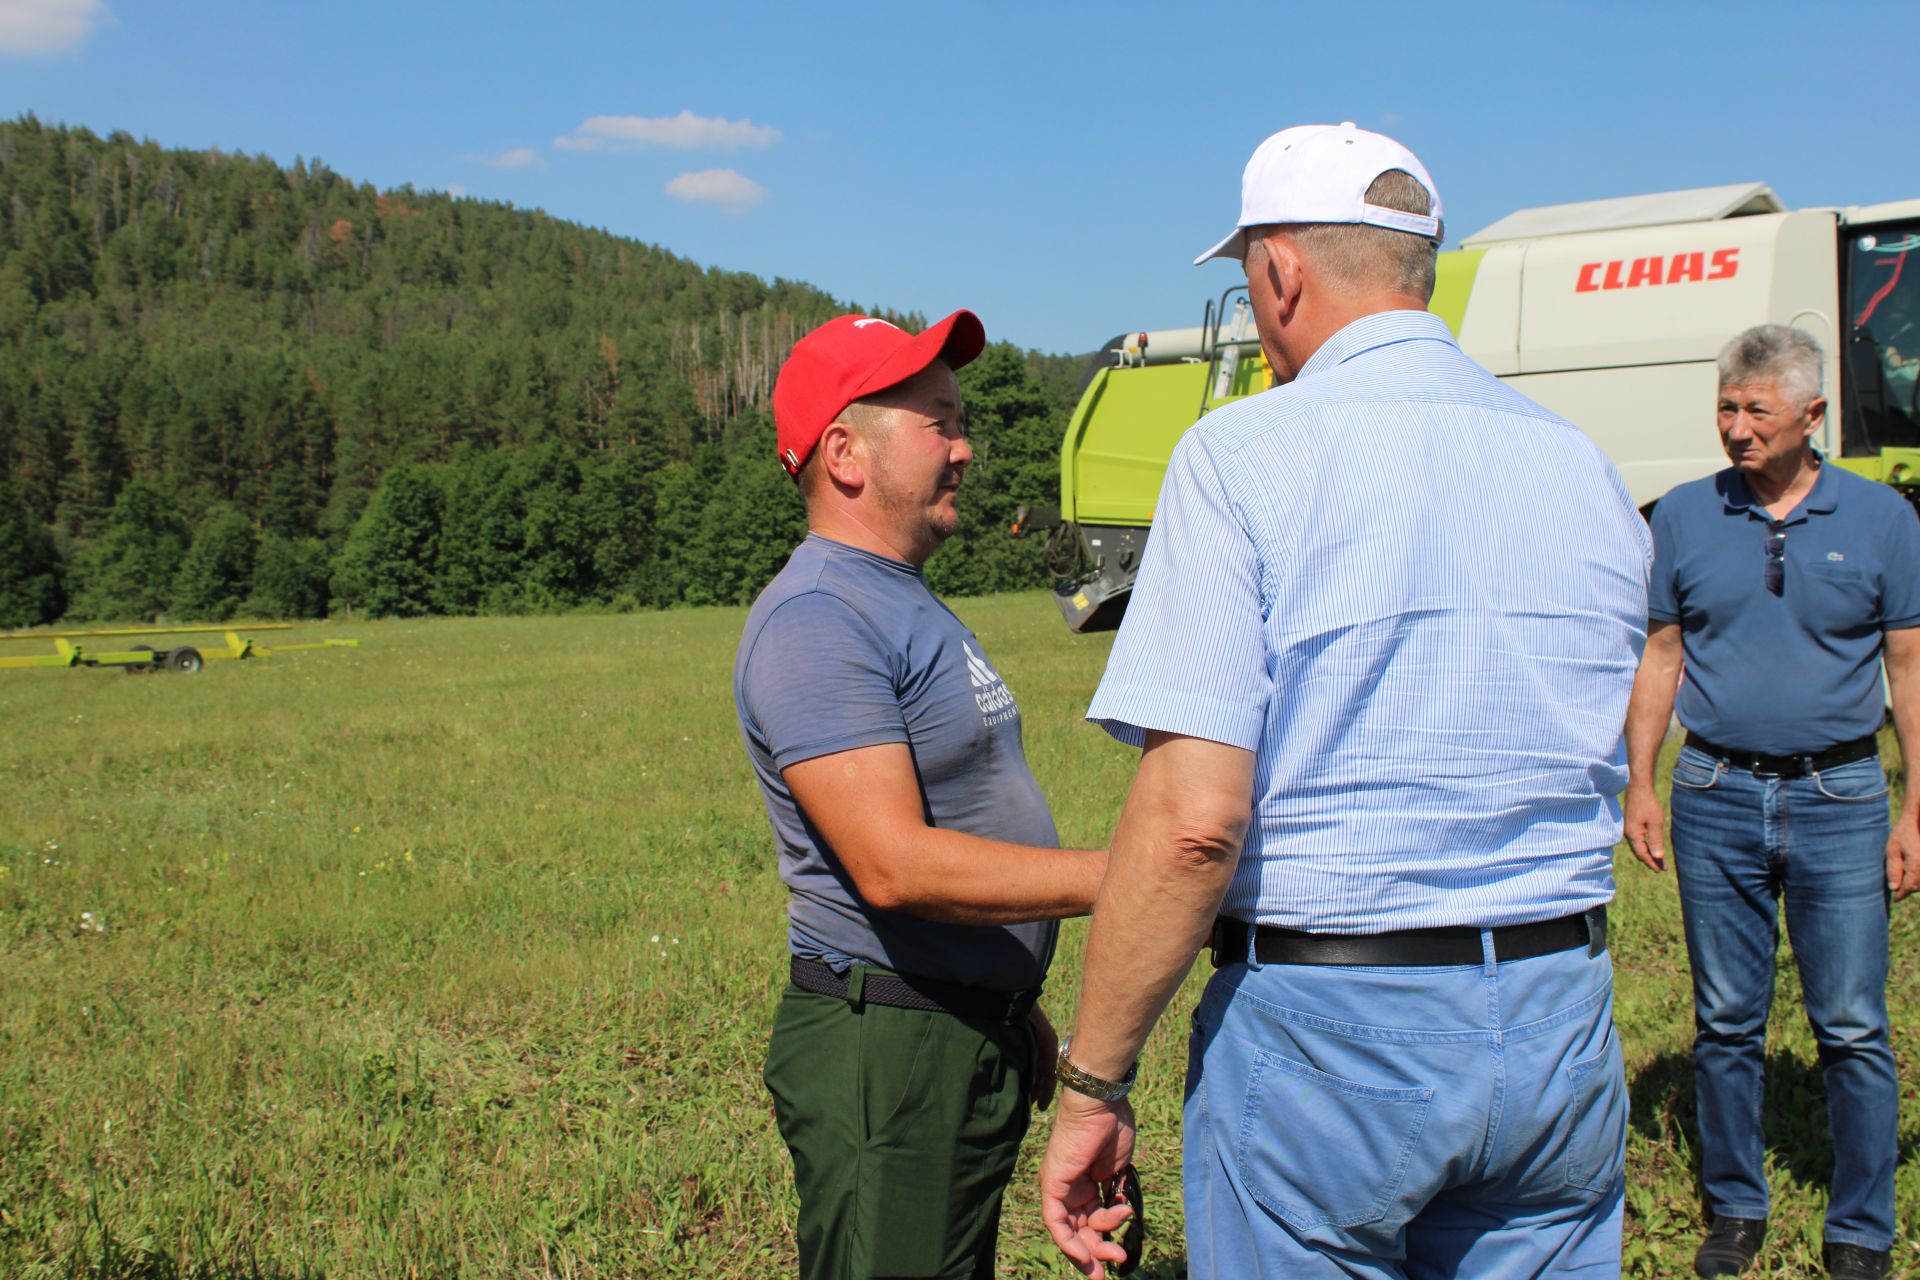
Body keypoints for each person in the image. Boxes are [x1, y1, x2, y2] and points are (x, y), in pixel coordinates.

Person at [1036, 122, 1652, 1278]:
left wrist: (1094, 1081)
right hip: (1558, 1010)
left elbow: (1193, 821)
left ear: (1280, 273)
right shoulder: (1582, 464)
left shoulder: (1240, 455)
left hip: (1333, 1022)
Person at [735, 310, 1108, 1280]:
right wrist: (1125, 876)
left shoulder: (900, 596)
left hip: (947, 1023)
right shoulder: (821, 616)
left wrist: (1006, 996)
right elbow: (893, 866)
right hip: (888, 1054)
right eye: (938, 420)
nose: (966, 445)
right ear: (847, 453)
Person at [1621, 325, 1920, 1280]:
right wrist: (1642, 782)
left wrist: (1916, 809)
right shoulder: (1682, 517)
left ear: (1811, 415)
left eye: (1756, 410)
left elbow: (1909, 668)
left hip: (1842, 795)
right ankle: (1736, 1209)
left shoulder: (1882, 520)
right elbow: (1660, 653)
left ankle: (1863, 1224)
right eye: (1725, 408)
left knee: (1853, 1024)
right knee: (1726, 1021)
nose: (1736, 428)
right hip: (1712, 792)